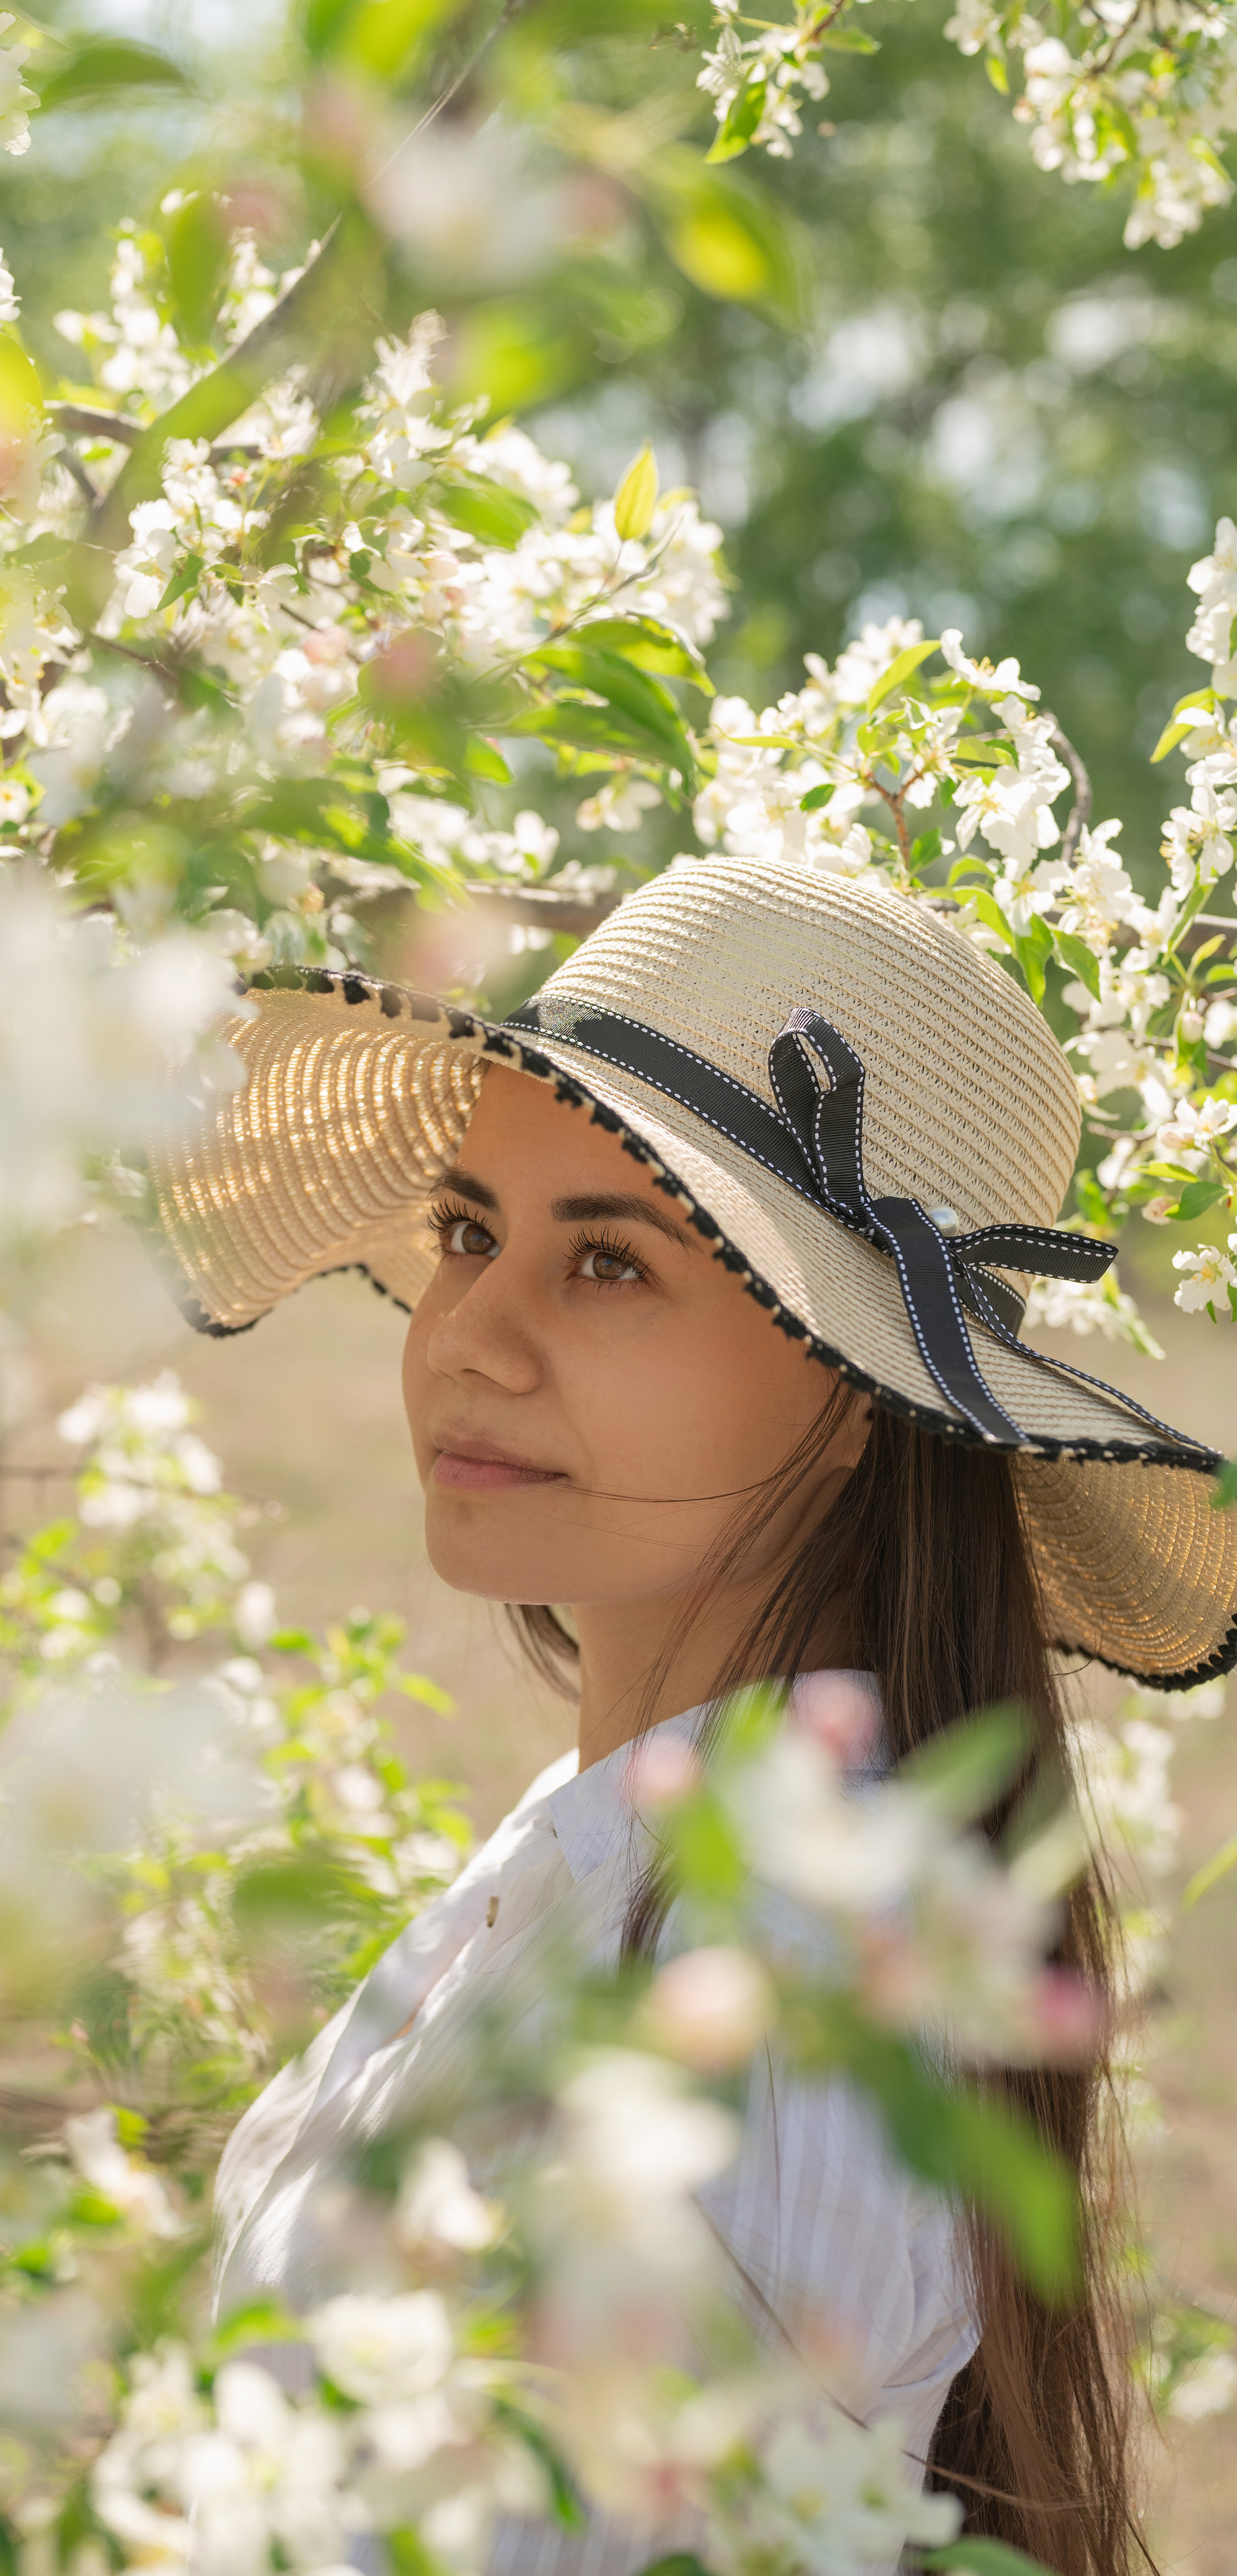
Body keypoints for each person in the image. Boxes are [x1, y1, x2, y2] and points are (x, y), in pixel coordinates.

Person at [148, 855, 1237, 2576]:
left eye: (609, 1266)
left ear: (868, 1391)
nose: (467, 1341)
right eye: (467, 1232)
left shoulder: (781, 1998)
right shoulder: (624, 1852)